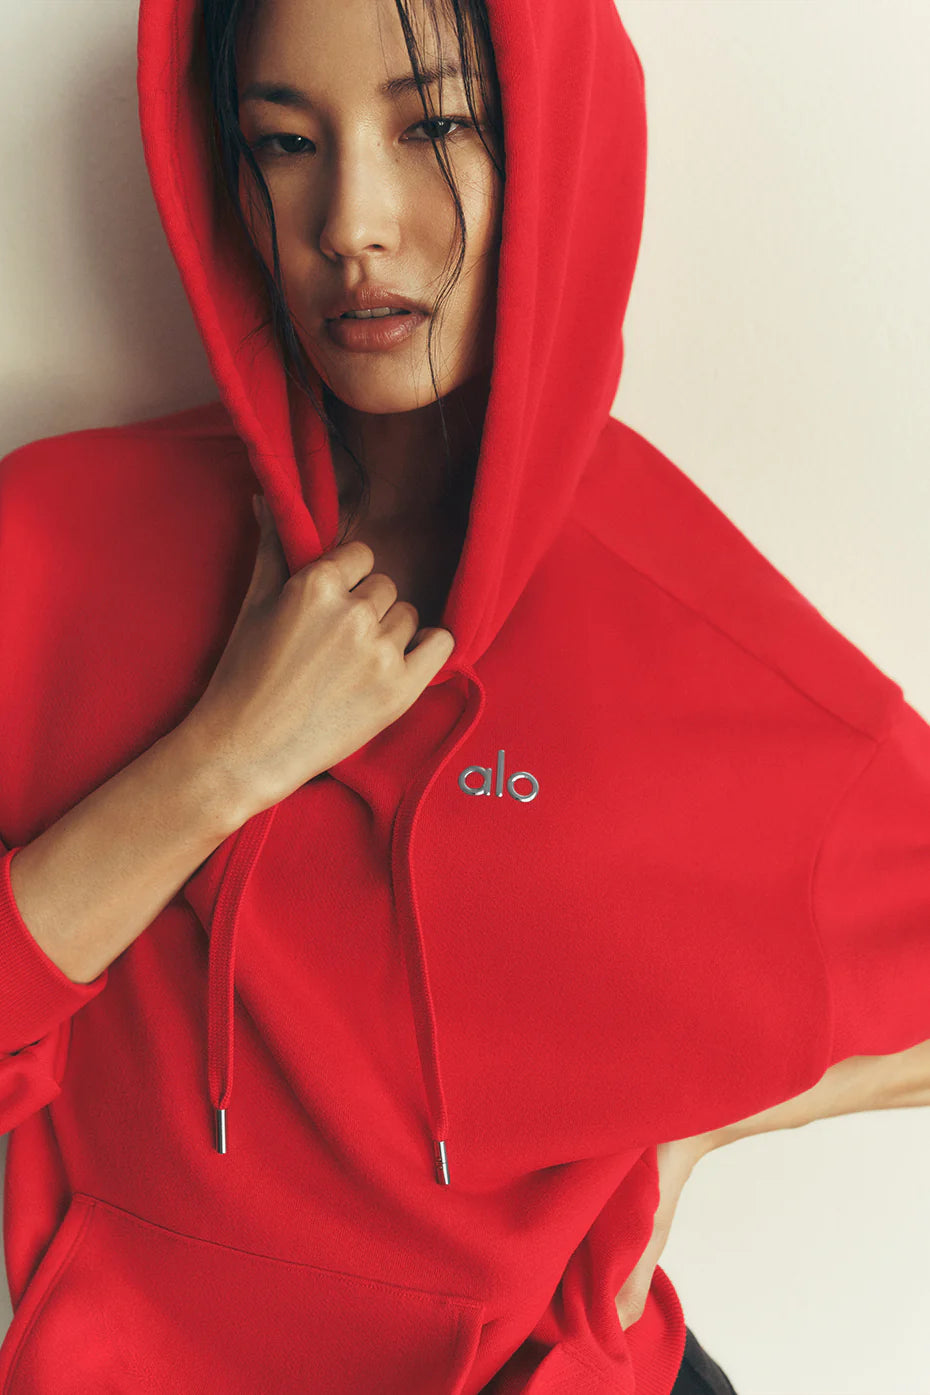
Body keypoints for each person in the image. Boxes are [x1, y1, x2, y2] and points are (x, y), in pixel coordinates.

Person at [1, 0, 929, 1391]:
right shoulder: (56, 547)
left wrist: (694, 1133)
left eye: (434, 125)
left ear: (559, 146)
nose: (353, 224)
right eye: (283, 143)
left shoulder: (687, 621)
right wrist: (222, 761)